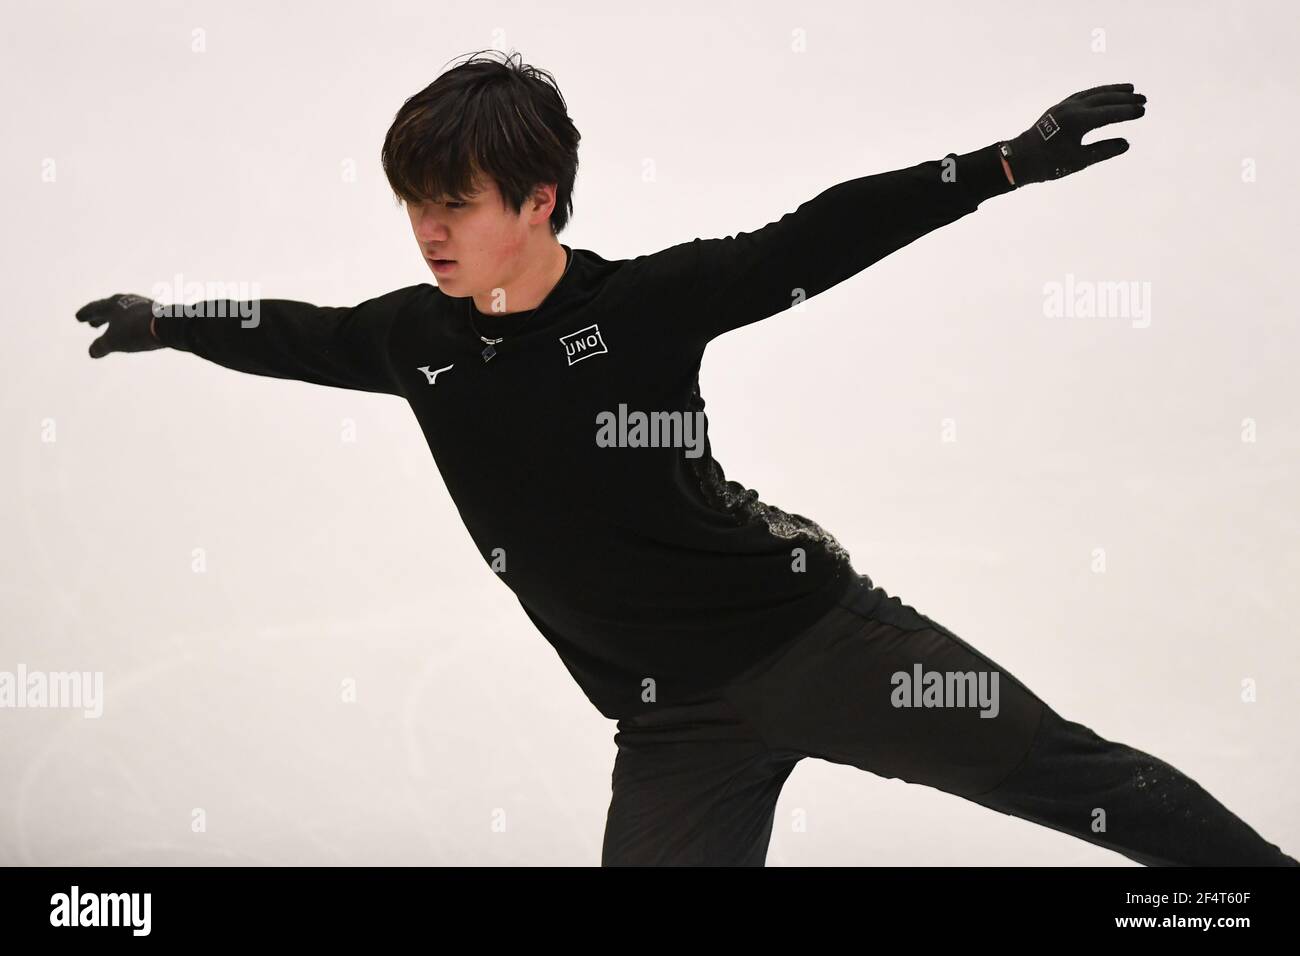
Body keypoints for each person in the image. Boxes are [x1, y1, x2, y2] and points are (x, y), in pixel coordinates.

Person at [76, 50, 1296, 867]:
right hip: (671, 726)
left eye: (457, 202)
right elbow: (293, 333)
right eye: (414, 203)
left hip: (821, 645)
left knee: (1078, 780)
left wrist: (1004, 163)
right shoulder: (416, 338)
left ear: (541, 200)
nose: (430, 230)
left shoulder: (650, 306)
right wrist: (166, 316)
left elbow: (812, 236)